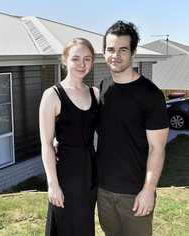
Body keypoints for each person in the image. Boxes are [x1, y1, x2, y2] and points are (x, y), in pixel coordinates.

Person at [96, 20, 169, 236]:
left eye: (122, 50)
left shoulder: (150, 94)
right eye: (110, 49)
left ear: (133, 52)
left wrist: (148, 189)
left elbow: (158, 149)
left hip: (135, 193)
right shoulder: (103, 87)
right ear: (104, 52)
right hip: (104, 190)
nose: (115, 55)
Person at [39, 38, 99, 236]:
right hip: (65, 174)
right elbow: (47, 144)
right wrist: (52, 184)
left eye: (87, 59)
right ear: (65, 60)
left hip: (90, 172)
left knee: (85, 226)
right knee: (65, 227)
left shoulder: (96, 94)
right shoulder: (52, 95)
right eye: (75, 59)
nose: (82, 64)